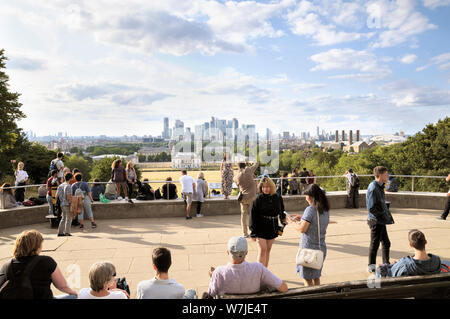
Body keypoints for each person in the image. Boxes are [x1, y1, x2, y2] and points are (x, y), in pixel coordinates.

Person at [0, 230, 77, 299]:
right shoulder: (46, 261)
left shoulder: (6, 265)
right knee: (73, 296)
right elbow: (62, 286)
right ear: (36, 246)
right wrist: (74, 293)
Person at [207, 236, 288, 298]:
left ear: (228, 252)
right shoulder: (258, 268)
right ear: (246, 253)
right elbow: (284, 288)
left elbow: (210, 294)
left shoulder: (219, 272)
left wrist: (213, 276)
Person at [286, 184, 330, 287]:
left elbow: (302, 229)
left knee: (307, 280)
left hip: (308, 251)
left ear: (310, 196)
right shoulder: (325, 209)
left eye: (306, 195)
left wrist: (291, 222)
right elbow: (315, 221)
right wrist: (302, 218)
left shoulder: (310, 209)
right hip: (320, 249)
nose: (306, 198)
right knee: (316, 277)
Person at [250, 177, 286, 267]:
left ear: (272, 187)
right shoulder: (257, 199)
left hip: (272, 226)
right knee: (262, 250)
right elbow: (252, 216)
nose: (265, 189)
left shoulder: (277, 197)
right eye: (263, 187)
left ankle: (265, 273)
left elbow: (282, 210)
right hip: (260, 227)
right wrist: (253, 232)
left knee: (268, 250)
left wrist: (283, 221)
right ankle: (259, 273)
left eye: (267, 187)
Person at [366, 166, 394, 273]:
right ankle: (371, 267)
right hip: (376, 221)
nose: (388, 176)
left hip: (380, 220)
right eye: (386, 174)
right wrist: (383, 214)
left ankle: (386, 263)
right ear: (381, 175)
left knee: (386, 243)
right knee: (375, 244)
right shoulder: (373, 188)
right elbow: (371, 208)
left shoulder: (380, 186)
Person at [234, 162, 259, 237]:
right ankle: (254, 231)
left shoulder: (236, 177)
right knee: (254, 215)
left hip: (243, 198)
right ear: (245, 166)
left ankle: (245, 233)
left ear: (238, 168)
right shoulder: (249, 170)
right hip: (252, 196)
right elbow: (256, 164)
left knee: (243, 216)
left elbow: (238, 184)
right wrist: (251, 163)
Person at [55, 173, 73, 237]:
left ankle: (60, 232)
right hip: (67, 204)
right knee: (69, 218)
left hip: (62, 204)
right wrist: (71, 203)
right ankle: (67, 232)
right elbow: (68, 197)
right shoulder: (68, 186)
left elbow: (56, 196)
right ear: (71, 178)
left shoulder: (60, 186)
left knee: (63, 218)